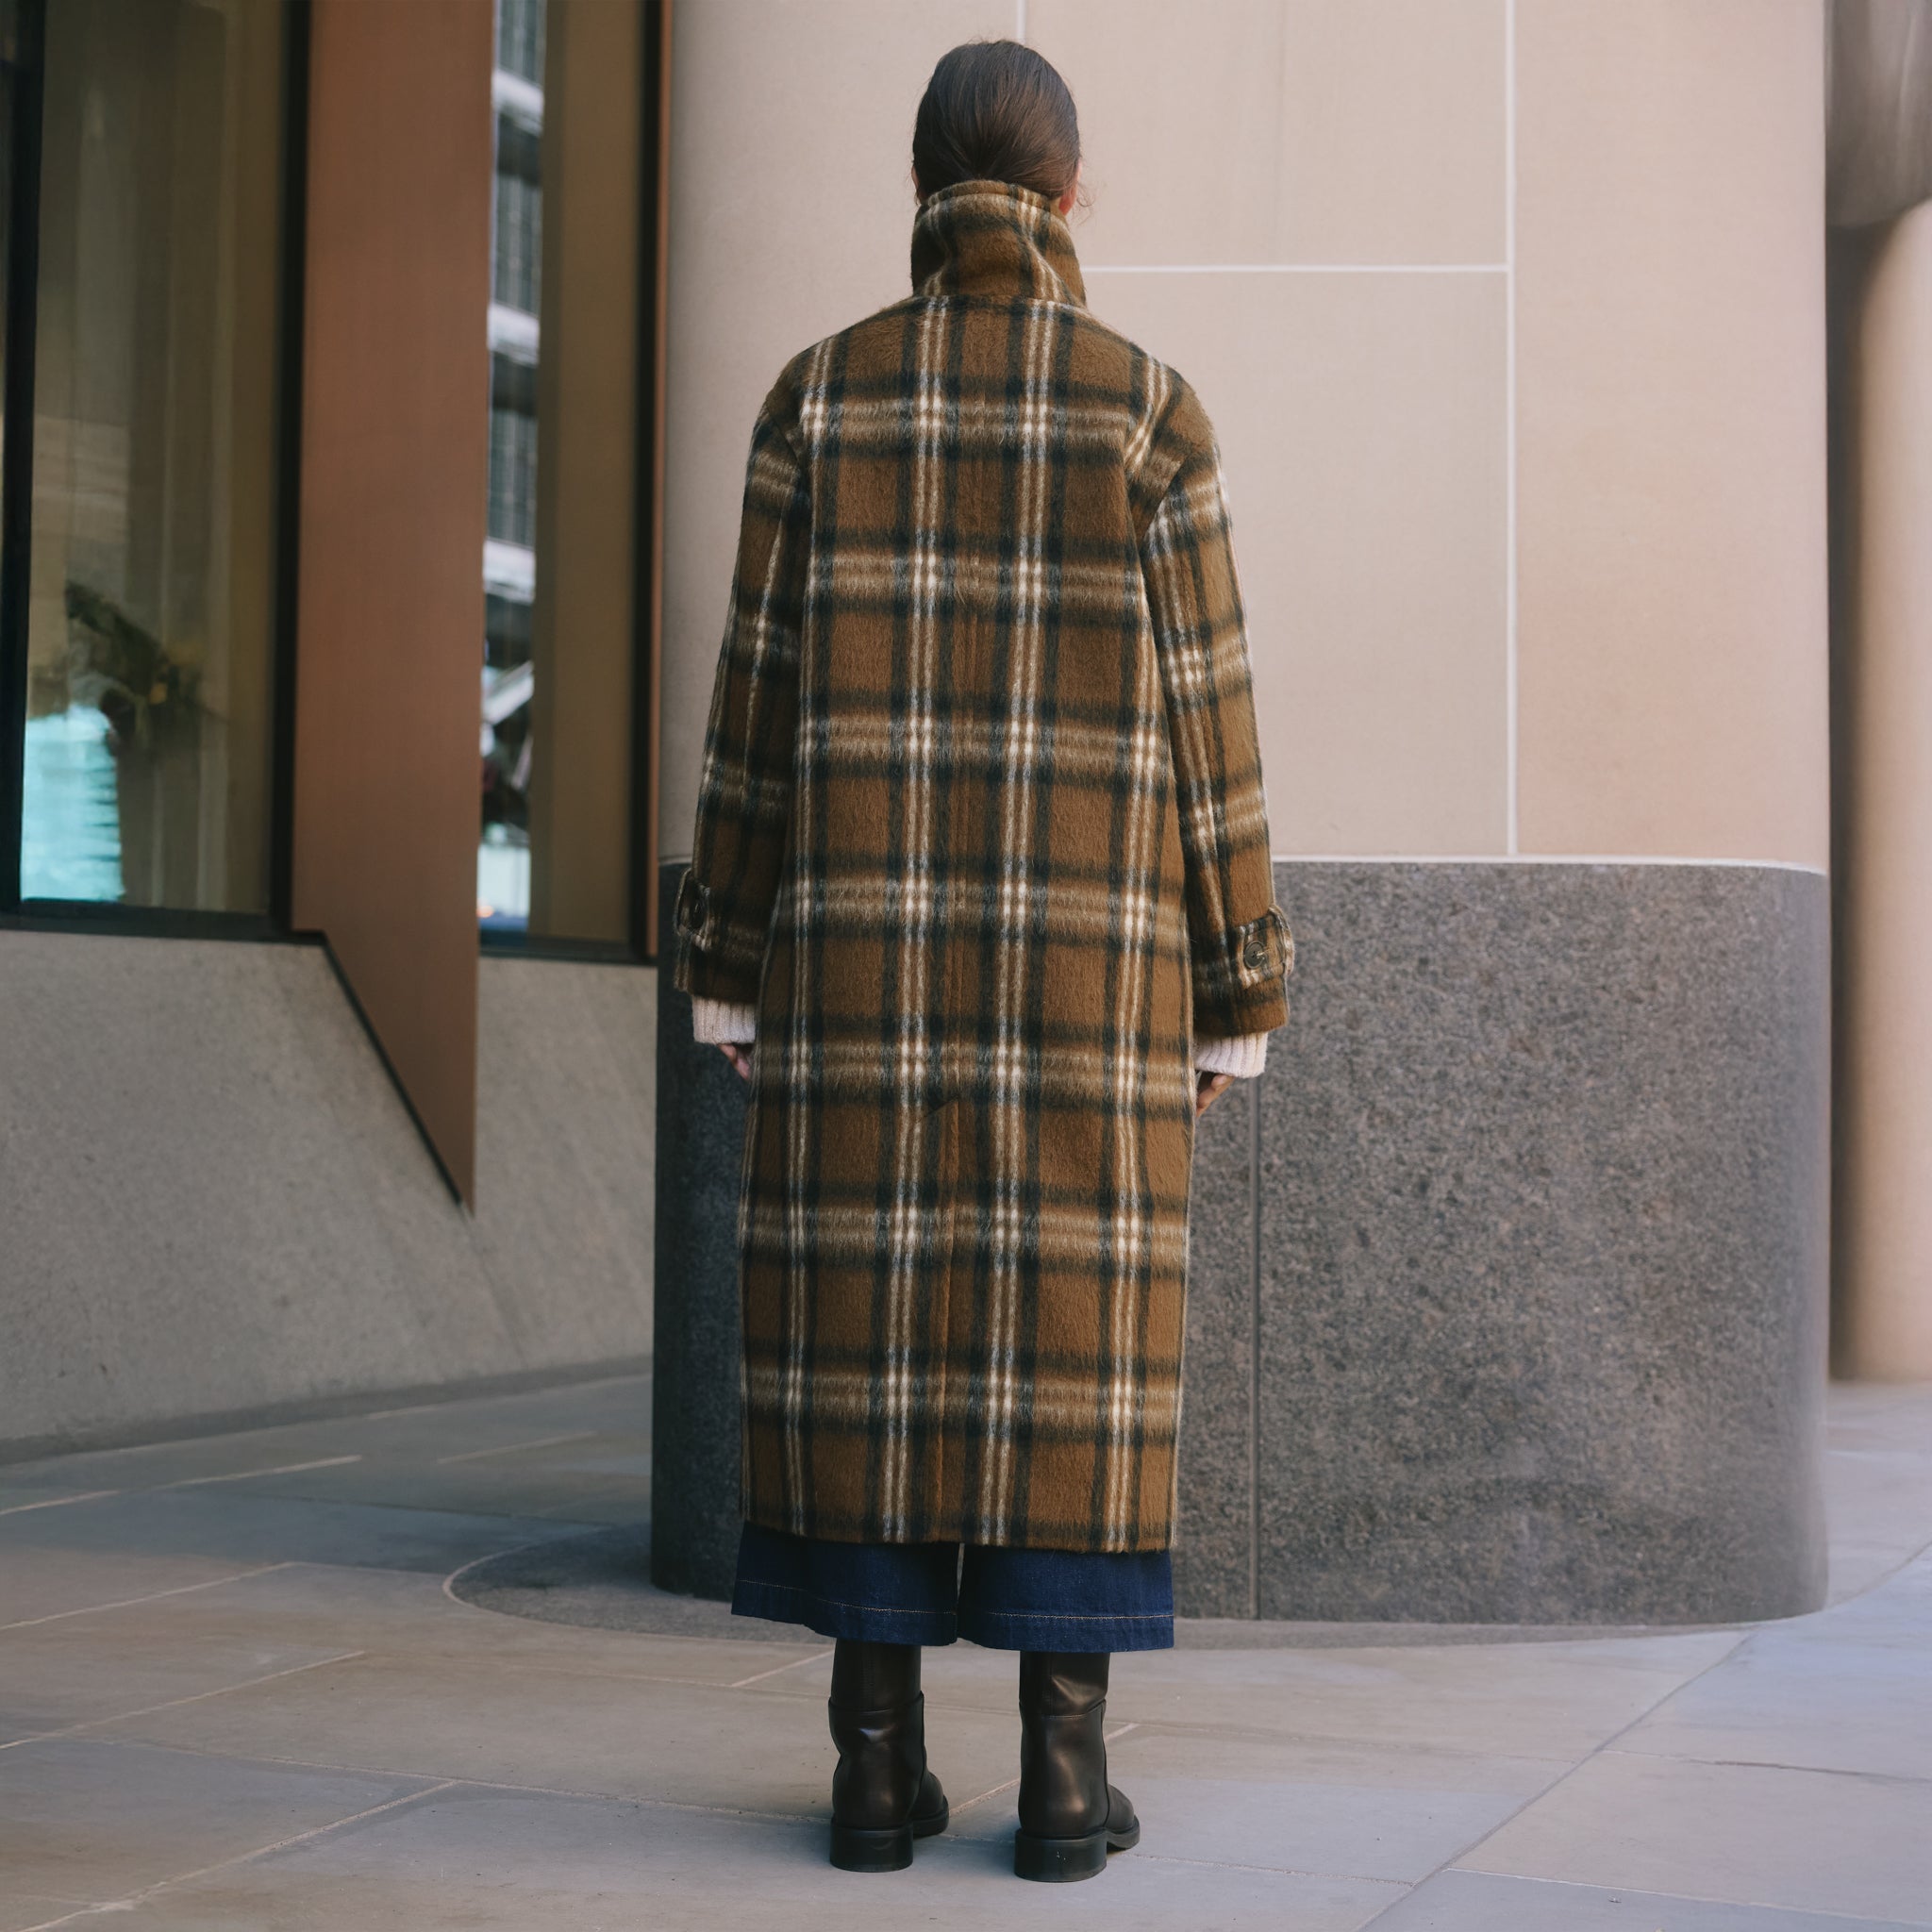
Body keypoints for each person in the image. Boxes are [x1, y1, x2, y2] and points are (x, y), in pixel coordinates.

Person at [674, 37, 1291, 1884]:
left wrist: (726, 960)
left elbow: (750, 713)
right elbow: (1213, 725)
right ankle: (1059, 1782)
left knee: (864, 1343)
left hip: (853, 978)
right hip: (1088, 994)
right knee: (1067, 1357)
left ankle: (873, 1775)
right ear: (1070, 189)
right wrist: (1239, 985)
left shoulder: (814, 399)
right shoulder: (1148, 413)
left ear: (922, 186)